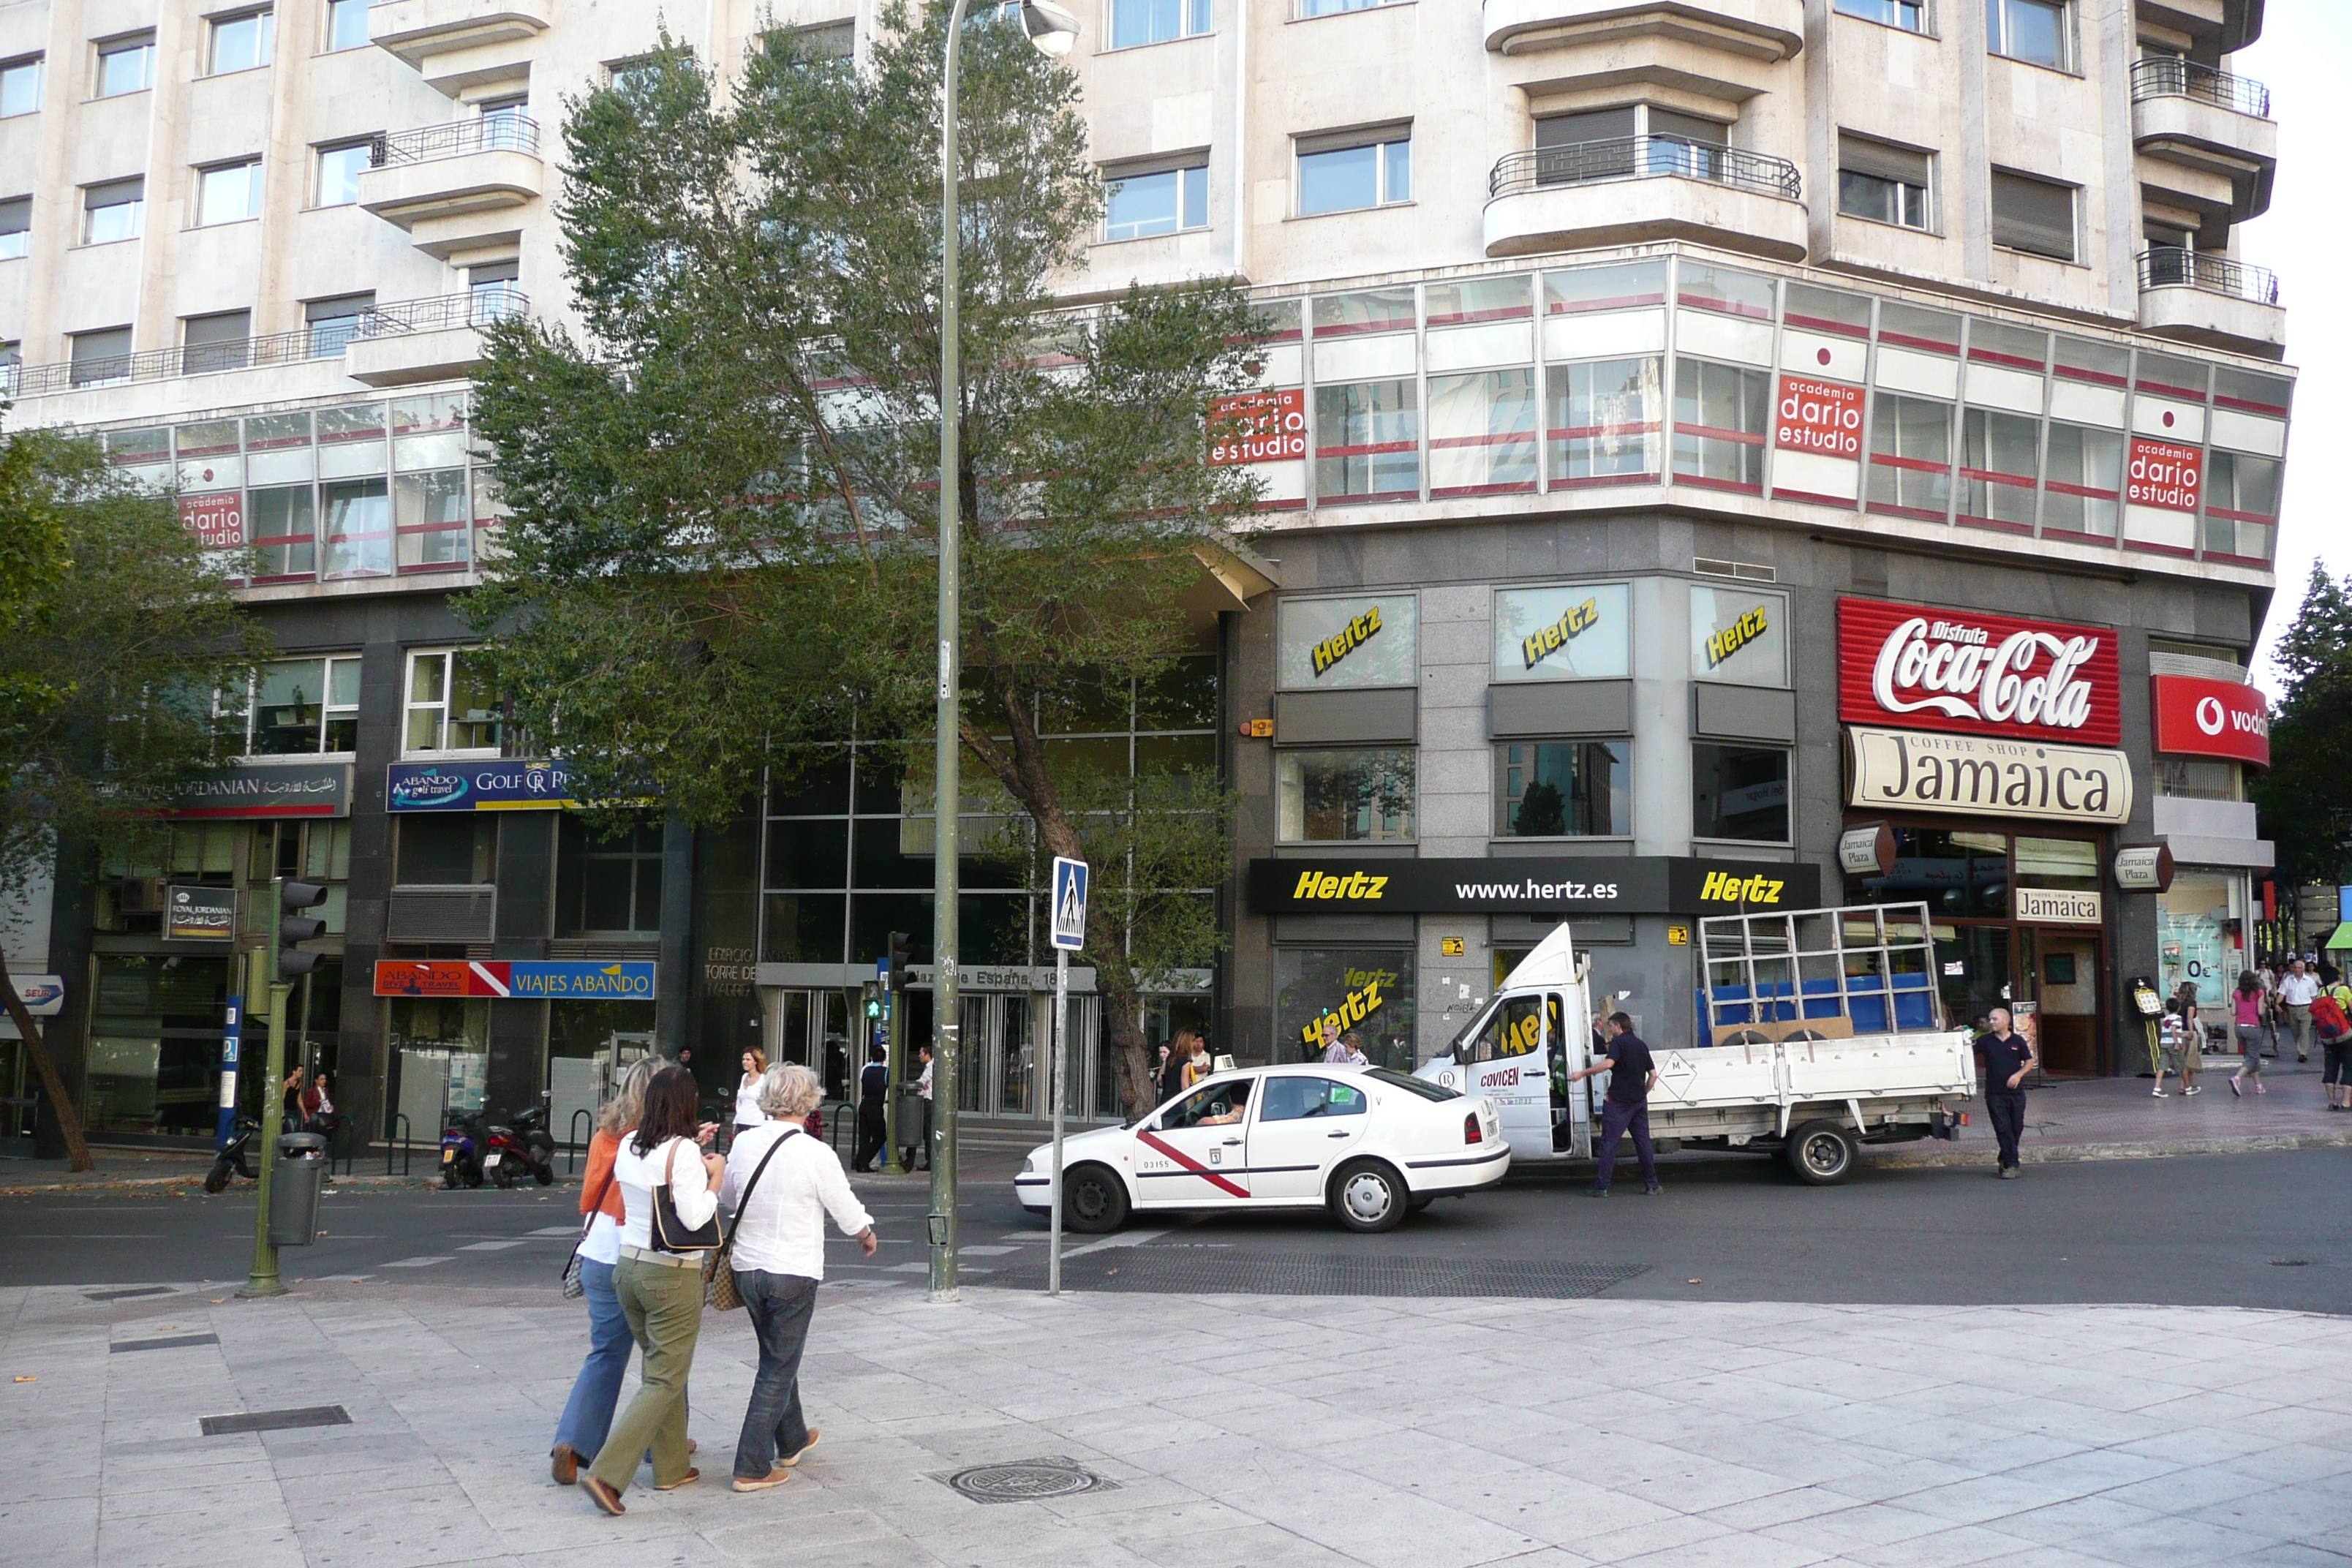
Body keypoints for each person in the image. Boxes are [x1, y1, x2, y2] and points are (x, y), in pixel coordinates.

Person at [723, 1063, 878, 1492]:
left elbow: (727, 1198)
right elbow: (843, 1207)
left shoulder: (744, 1144)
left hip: (747, 1268)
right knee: (777, 1366)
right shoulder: (815, 1152)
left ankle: (791, 1439)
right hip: (793, 1269)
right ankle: (750, 1465)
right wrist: (865, 1233)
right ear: (810, 1102)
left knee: (776, 1354)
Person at [580, 1064, 725, 1515]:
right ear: (686, 1104)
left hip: (628, 1268)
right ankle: (608, 1474)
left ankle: (671, 1467)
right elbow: (696, 1216)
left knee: (659, 1369)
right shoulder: (682, 1152)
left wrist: (691, 1159)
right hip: (671, 1274)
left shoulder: (627, 1143)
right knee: (664, 1377)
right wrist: (715, 1177)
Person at [550, 1058, 657, 1487]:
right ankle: (661, 1440)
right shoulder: (655, 1141)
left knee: (606, 1354)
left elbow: (591, 1194)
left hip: (596, 1255)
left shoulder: (604, 1135)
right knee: (665, 1353)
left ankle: (572, 1444)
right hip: (640, 1258)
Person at [1567, 1013, 1659, 1197]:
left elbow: (1608, 1064)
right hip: (1639, 1102)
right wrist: (1644, 1093)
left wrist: (1582, 1074)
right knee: (1643, 1144)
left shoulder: (1619, 1043)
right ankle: (1652, 1185)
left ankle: (1601, 1187)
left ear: (1618, 1026)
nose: (1609, 1030)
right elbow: (1654, 1075)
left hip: (1619, 1102)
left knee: (1609, 1144)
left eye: (1610, 1026)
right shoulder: (1641, 1045)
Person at [1975, 1006, 2036, 1177]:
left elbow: (2029, 1062)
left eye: (1995, 1019)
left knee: (2016, 1128)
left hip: (2016, 1094)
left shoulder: (2018, 1040)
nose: (1991, 1022)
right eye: (1990, 1019)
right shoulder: (1985, 1041)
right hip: (1994, 1093)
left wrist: (2018, 1075)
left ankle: (2004, 1156)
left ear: (2006, 1021)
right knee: (2003, 1128)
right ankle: (2012, 1165)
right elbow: (1967, 1051)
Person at [2229, 973, 2268, 1098]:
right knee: (2252, 1057)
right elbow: (2261, 1012)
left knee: (2251, 1055)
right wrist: (2265, 1007)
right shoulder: (2259, 993)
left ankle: (2258, 1085)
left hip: (2239, 1027)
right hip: (2253, 1027)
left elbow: (2233, 1012)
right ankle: (2237, 1078)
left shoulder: (2236, 993)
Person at [851, 1044, 887, 1172]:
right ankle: (862, 1160)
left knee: (864, 1137)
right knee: (880, 1137)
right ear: (884, 1058)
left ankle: (862, 1165)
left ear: (871, 1057)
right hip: (876, 1107)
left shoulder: (865, 1070)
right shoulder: (886, 1071)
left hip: (864, 1104)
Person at [2316, 988, 2352, 1112]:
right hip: (2344, 1034)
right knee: (2349, 1067)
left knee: (2330, 1067)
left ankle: (2332, 1102)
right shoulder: (2344, 990)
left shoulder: (2321, 991)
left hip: (2327, 1035)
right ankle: (2346, 1103)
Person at [2280, 957, 2320, 1063]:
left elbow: (2314, 997)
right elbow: (2282, 993)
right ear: (2292, 968)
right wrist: (2277, 1004)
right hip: (2292, 1008)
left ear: (2303, 969)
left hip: (2306, 1008)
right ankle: (2301, 1050)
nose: (2297, 970)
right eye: (2295, 968)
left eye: (2299, 968)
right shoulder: (2288, 980)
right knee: (2295, 1032)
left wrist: (2315, 1010)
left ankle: (2303, 1053)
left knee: (2304, 1032)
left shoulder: (2310, 981)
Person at [902, 1044, 933, 1172]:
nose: (919, 1056)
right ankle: (929, 1161)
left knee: (916, 1131)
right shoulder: (930, 1067)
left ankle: (910, 1161)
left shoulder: (931, 1068)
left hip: (927, 1103)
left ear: (927, 1054)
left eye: (921, 1053)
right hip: (928, 1102)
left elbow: (922, 1081)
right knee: (927, 1134)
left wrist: (920, 1085)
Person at [2170, 982, 2203, 1095]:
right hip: (2188, 1032)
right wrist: (2191, 1032)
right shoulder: (2191, 1002)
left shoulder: (2178, 1002)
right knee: (2190, 1059)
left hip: (2179, 1032)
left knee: (2182, 1058)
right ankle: (2184, 1085)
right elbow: (2190, 1018)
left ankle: (2188, 1082)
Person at [734, 1049, 769, 1140]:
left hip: (756, 1124)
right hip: (741, 1123)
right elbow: (740, 1103)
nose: (744, 1062)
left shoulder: (763, 1079)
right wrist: (735, 1123)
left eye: (748, 1060)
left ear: (756, 1062)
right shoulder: (744, 1077)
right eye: (743, 1059)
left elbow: (768, 1102)